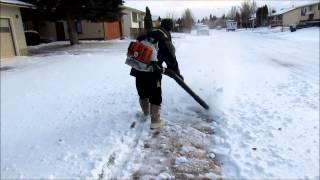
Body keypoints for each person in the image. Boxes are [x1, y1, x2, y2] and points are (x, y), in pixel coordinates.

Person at [130, 18, 183, 129]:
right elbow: (171, 59)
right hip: (152, 71)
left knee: (142, 91)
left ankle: (146, 114)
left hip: (137, 68)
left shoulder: (148, 33)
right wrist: (177, 73)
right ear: (170, 27)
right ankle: (155, 121)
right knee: (155, 94)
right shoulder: (164, 39)